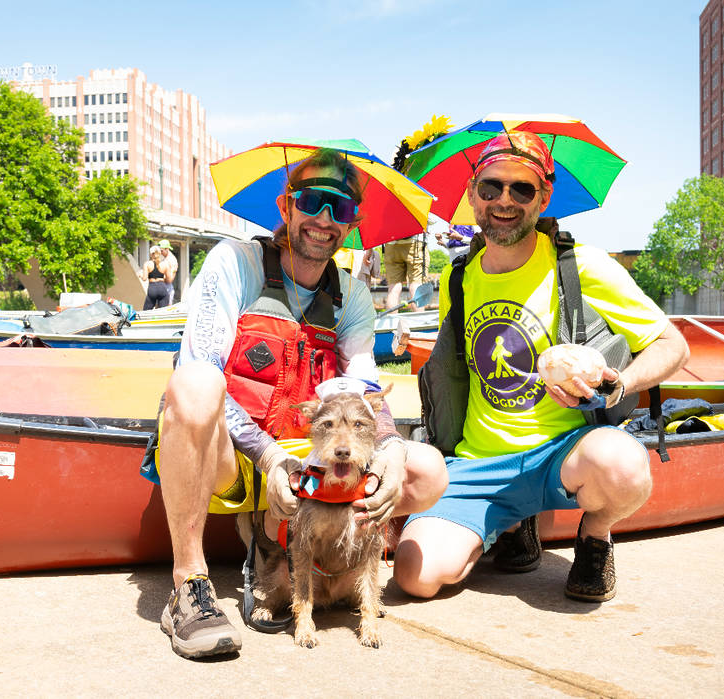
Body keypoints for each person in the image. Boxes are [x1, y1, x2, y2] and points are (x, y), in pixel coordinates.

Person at [145, 148, 447, 660]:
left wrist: (393, 451)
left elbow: (364, 386)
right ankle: (189, 584)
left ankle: (280, 543)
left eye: (342, 210)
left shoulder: (349, 295)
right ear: (286, 206)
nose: (325, 220)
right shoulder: (234, 263)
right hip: (236, 462)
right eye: (312, 202)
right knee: (194, 382)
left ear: (352, 224)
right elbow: (201, 369)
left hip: (309, 470)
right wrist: (270, 458)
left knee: (428, 471)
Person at [393, 131, 689, 603]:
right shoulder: (458, 275)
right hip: (478, 462)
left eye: (522, 189)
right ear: (472, 195)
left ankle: (595, 535)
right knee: (415, 577)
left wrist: (619, 384)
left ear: (544, 197)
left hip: (563, 454)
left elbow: (672, 345)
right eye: (490, 188)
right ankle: (508, 523)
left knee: (624, 465)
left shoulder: (582, 265)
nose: (504, 200)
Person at [383, 234, 427, 312]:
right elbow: (431, 221)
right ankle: (419, 320)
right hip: (415, 243)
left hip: (391, 243)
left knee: (393, 287)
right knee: (416, 284)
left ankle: (392, 322)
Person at [139, 246, 175, 310]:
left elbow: (144, 278)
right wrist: (163, 278)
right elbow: (169, 280)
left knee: (146, 311)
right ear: (160, 253)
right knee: (163, 312)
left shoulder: (147, 264)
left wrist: (140, 276)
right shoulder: (165, 264)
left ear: (150, 254)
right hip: (162, 288)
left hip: (152, 288)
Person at [157, 239, 179, 304]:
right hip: (163, 289)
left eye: (161, 251)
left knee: (165, 311)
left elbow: (170, 279)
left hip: (167, 290)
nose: (160, 253)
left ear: (167, 249)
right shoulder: (165, 259)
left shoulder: (171, 260)